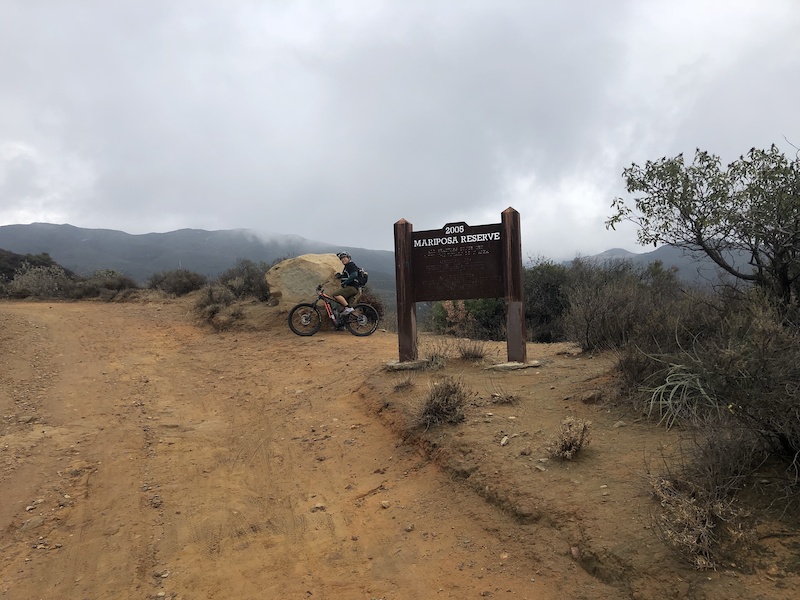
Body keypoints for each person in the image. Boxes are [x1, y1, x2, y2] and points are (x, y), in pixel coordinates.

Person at [333, 252, 361, 316]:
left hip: (352, 287)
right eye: (341, 258)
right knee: (347, 311)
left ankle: (348, 308)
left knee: (336, 294)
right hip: (353, 288)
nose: (343, 259)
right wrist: (340, 276)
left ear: (348, 258)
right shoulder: (347, 267)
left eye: (345, 257)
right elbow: (347, 275)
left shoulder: (351, 265)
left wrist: (345, 283)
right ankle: (357, 319)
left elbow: (354, 275)